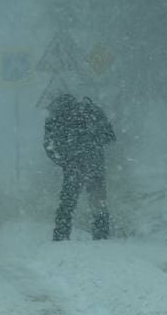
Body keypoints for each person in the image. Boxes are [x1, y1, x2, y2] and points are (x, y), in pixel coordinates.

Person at [43, 91, 116, 241]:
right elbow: (109, 137)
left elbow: (49, 146)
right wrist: (92, 144)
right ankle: (101, 235)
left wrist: (63, 160)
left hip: (72, 166)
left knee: (67, 202)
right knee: (98, 200)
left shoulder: (55, 117)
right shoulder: (90, 110)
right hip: (94, 163)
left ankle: (61, 236)